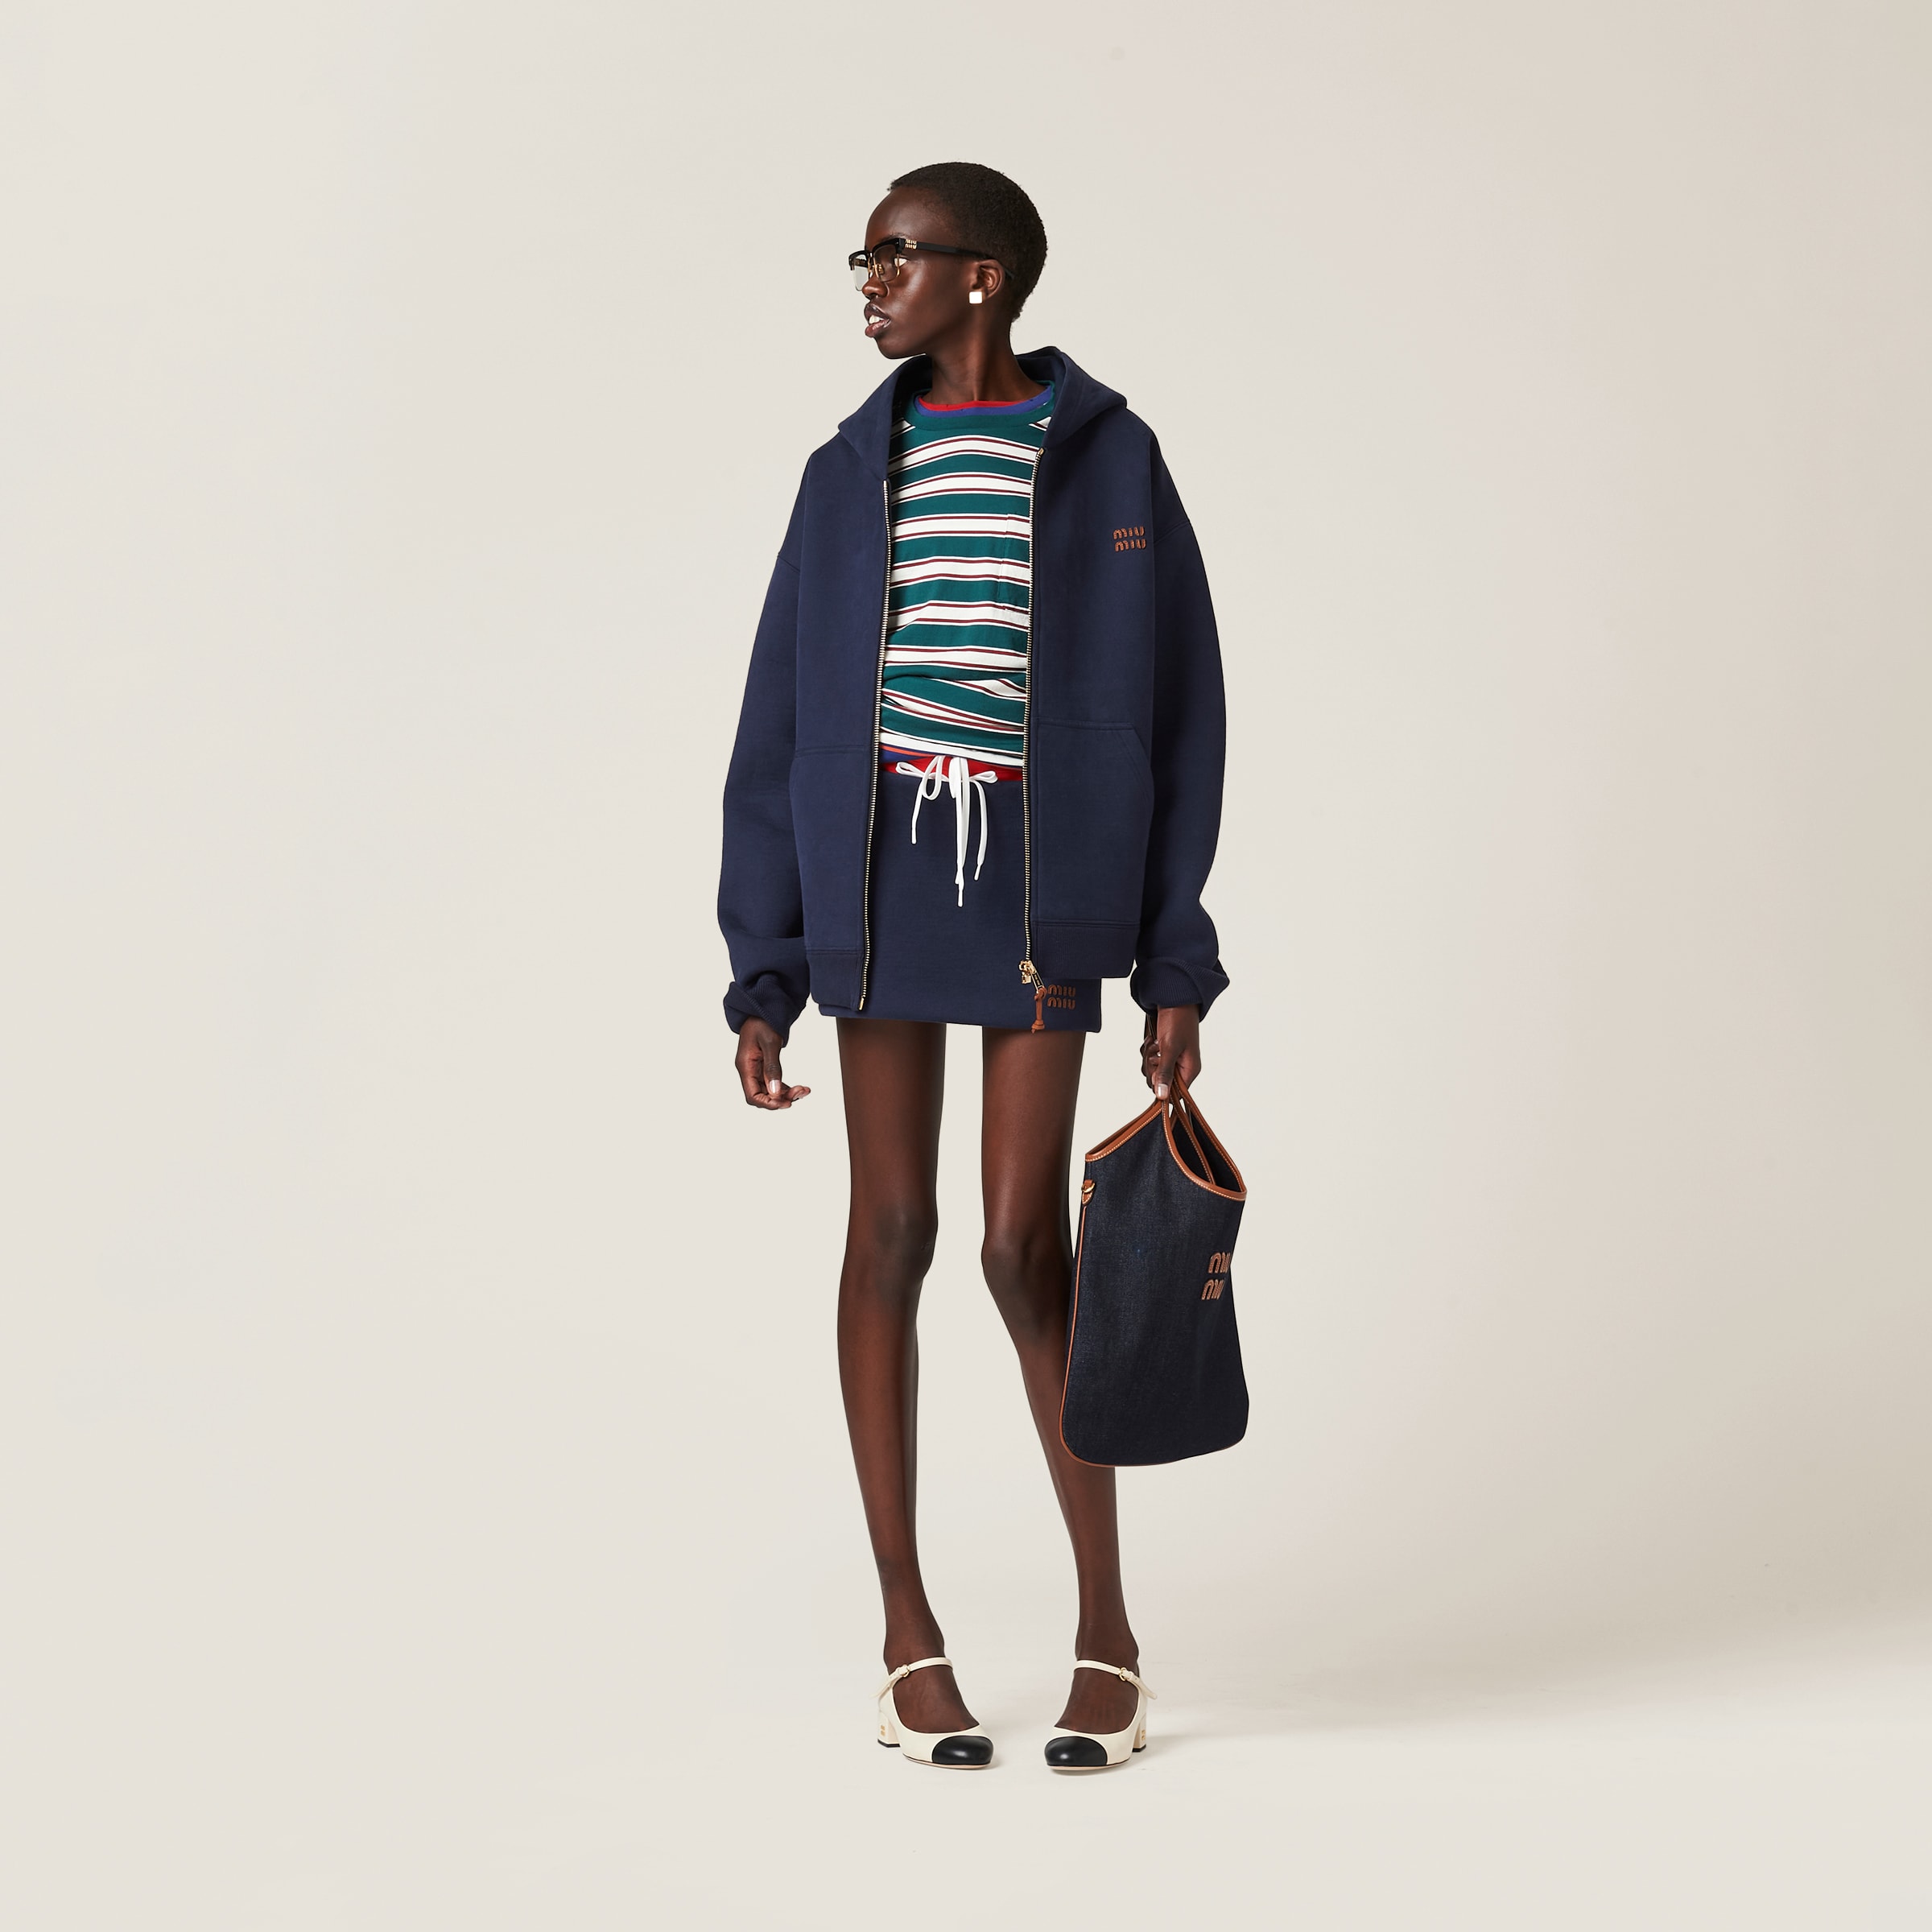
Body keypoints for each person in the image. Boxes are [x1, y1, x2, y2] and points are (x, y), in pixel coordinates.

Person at [717, 162, 1228, 1770]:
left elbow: (1182, 717)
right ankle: (906, 1633)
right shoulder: (843, 472)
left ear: (984, 275)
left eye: (898, 254)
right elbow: (778, 721)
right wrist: (763, 964)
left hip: (1044, 879)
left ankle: (1109, 1631)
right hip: (876, 877)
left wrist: (1175, 962)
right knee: (892, 1229)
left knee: (1022, 1246)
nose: (871, 280)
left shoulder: (1111, 458)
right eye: (866, 256)